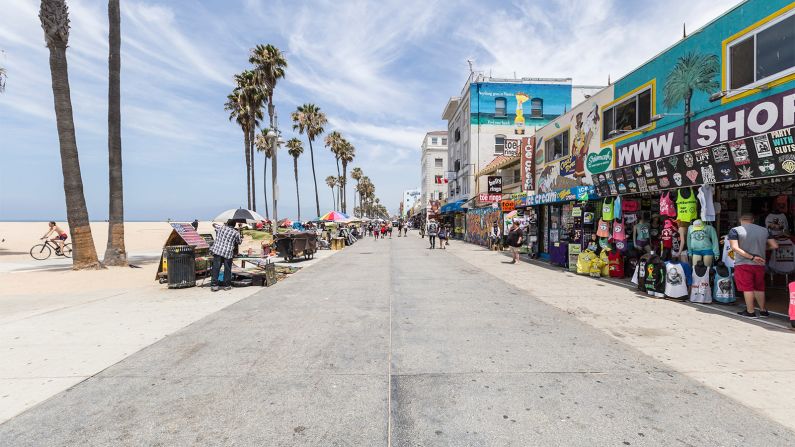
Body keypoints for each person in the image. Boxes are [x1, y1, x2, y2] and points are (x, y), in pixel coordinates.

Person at [728, 213, 779, 317]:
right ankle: (763, 310)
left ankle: (750, 311)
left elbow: (735, 248)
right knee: (759, 287)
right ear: (753, 220)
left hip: (743, 263)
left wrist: (751, 257)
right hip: (760, 263)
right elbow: (774, 245)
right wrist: (761, 249)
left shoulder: (735, 230)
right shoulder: (764, 230)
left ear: (740, 220)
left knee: (747, 288)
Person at [210, 220, 242, 292]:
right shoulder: (236, 232)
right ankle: (227, 285)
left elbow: (214, 224)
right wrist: (238, 232)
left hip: (217, 251)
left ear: (227, 223)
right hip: (228, 253)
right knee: (227, 269)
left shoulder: (221, 228)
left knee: (216, 268)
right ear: (234, 225)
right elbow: (239, 242)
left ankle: (214, 285)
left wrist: (220, 225)